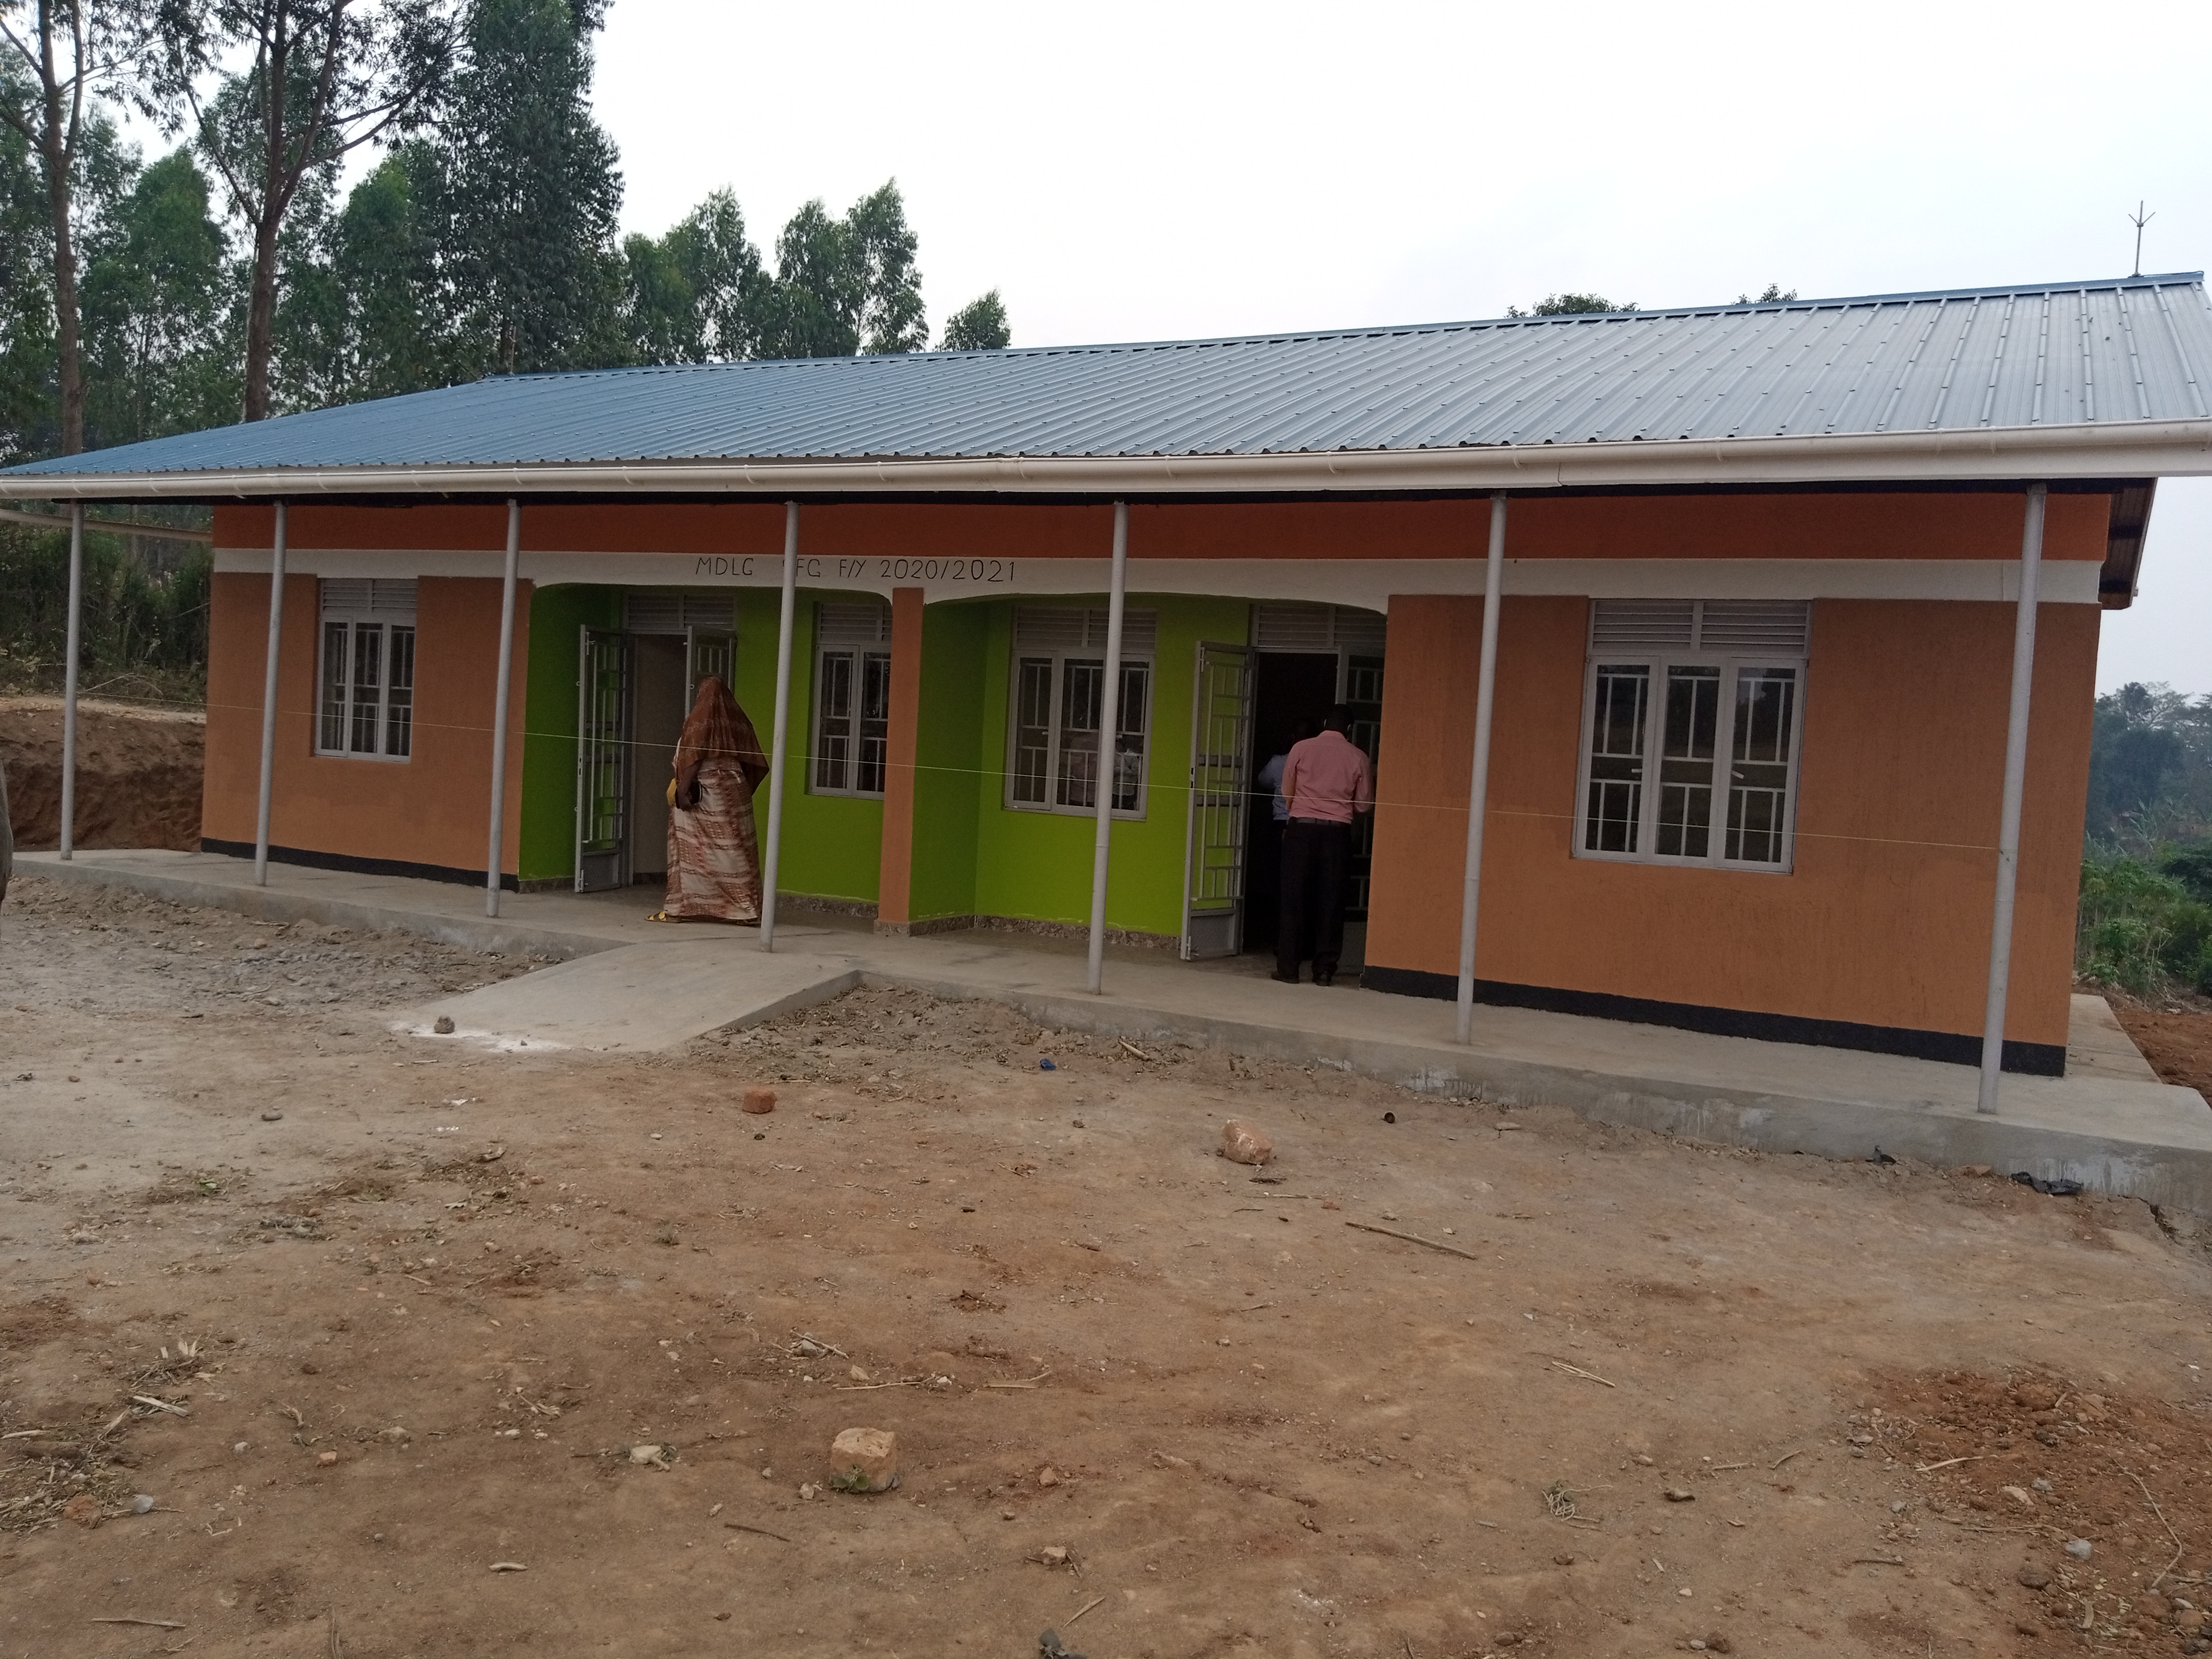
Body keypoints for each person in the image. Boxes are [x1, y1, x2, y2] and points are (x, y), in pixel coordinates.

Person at [652, 676, 771, 924]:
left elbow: (697, 754)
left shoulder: (701, 719)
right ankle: (746, 910)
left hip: (704, 793)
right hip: (734, 791)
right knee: (734, 853)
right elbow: (754, 760)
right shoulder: (737, 720)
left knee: (692, 854)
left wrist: (683, 790)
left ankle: (679, 909)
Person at [1274, 705, 1372, 986]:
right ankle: (1324, 971)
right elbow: (1364, 805)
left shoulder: (1301, 749)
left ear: (1325, 722)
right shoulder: (1359, 757)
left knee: (1294, 899)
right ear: (1350, 730)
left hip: (1301, 830)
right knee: (1331, 902)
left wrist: (1301, 810)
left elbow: (1287, 793)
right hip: (1337, 835)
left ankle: (1289, 969)